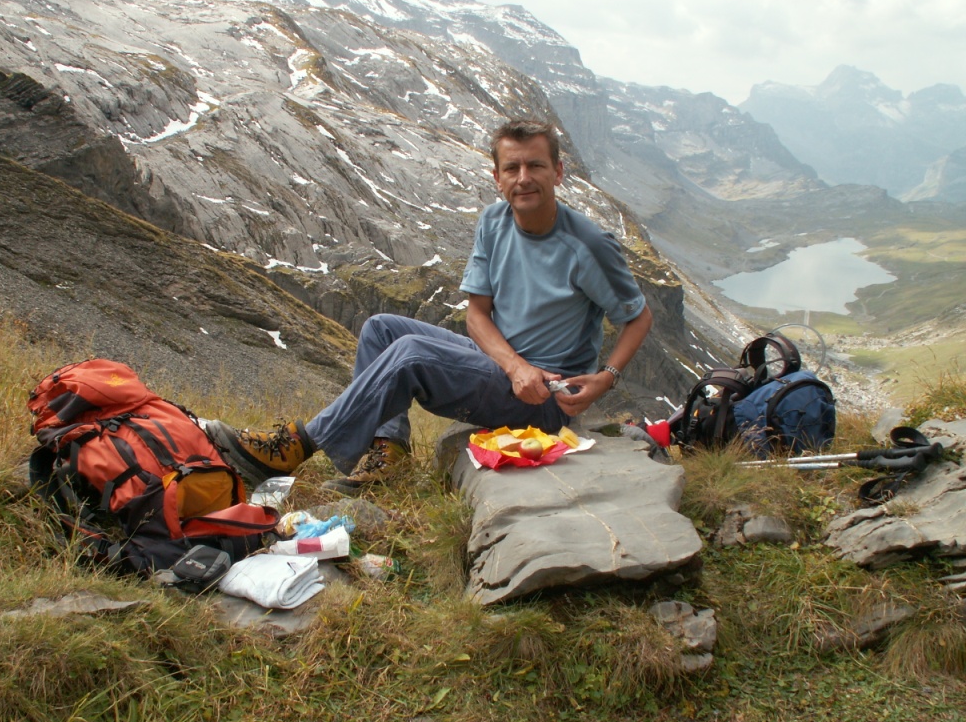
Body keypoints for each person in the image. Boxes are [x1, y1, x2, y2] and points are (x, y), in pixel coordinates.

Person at [207, 119, 652, 494]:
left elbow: (638, 316)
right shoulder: (493, 222)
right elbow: (476, 315)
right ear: (496, 177)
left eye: (535, 165)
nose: (523, 178)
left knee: (412, 354)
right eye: (511, 167)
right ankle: (390, 453)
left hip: (543, 396)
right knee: (381, 329)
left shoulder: (588, 245)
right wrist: (512, 365)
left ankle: (295, 447)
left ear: (557, 171)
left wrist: (605, 379)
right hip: (505, 368)